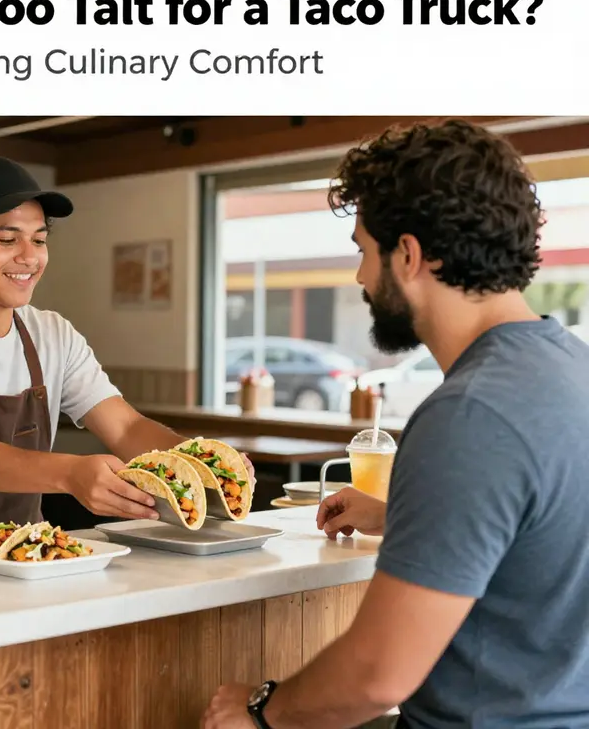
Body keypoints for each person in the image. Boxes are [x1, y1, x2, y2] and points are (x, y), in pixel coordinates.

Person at [202, 119, 589, 728]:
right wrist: (403, 512)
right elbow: (547, 531)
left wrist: (260, 708)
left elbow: (378, 674)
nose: (359, 277)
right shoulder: (572, 370)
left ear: (407, 255)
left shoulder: (472, 414)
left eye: (363, 250)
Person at [0, 156, 253, 553]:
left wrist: (201, 465)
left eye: (38, 239)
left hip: (23, 555)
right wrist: (69, 473)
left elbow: (124, 428)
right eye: (6, 239)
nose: (29, 256)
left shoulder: (52, 334)